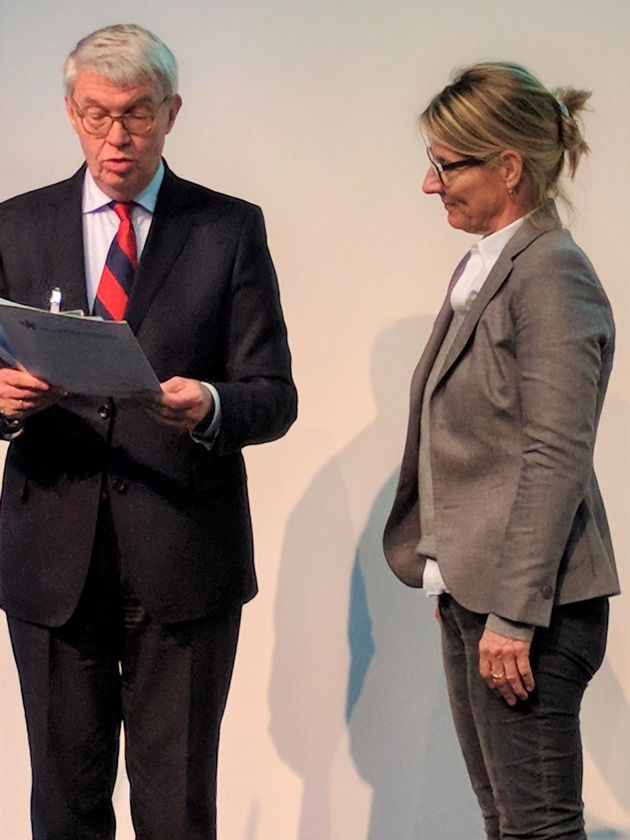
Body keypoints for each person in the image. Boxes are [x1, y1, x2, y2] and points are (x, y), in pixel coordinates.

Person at [0, 23, 296, 840]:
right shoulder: (15, 226)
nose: (116, 136)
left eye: (135, 113)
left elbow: (273, 395)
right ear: (71, 112)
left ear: (171, 112)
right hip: (52, 560)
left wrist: (210, 404)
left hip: (184, 557)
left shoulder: (227, 229)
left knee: (176, 810)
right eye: (97, 115)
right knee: (65, 805)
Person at [383, 62, 619, 840]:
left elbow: (555, 456)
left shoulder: (551, 273)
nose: (431, 184)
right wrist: (455, 572)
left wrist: (514, 615)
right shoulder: (491, 265)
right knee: (508, 823)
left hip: (530, 610)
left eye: (447, 165)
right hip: (476, 594)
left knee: (538, 829)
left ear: (509, 167)